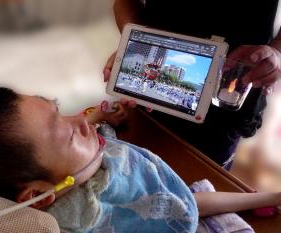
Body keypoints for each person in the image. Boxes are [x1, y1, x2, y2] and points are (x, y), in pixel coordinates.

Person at [0, 88, 280, 232]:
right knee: (182, 201)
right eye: (67, 132)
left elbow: (173, 198)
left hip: (167, 195)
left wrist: (100, 115)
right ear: (40, 193)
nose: (79, 122)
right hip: (160, 211)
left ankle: (267, 197)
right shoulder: (86, 219)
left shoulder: (75, 160)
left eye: (58, 110)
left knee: (181, 197)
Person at [103, 0, 281, 166]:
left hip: (227, 102)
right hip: (146, 103)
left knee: (197, 190)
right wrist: (135, 42)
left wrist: (277, 52)